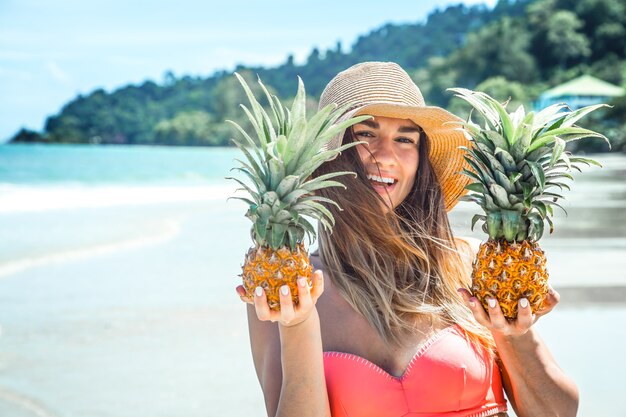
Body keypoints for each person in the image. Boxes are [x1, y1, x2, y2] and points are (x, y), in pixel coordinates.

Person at [236, 62, 579, 417]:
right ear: (328, 158)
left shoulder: (472, 267)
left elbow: (557, 413)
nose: (385, 155)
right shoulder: (289, 292)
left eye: (405, 139)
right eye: (365, 135)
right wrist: (298, 325)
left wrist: (516, 337)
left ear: (421, 162)